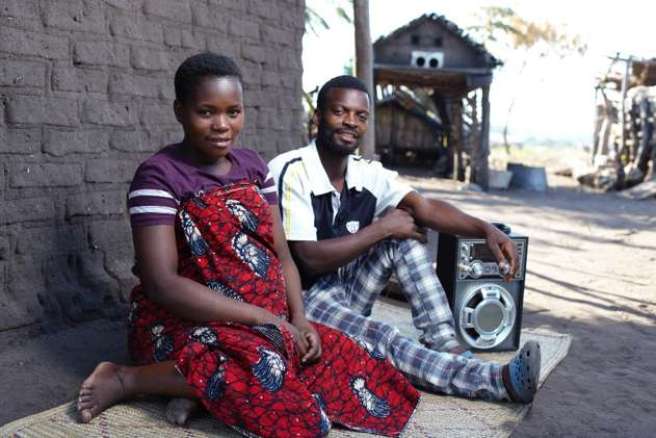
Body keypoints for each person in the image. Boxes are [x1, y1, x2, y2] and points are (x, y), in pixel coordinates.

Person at [76, 54, 420, 438]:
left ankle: (195, 391)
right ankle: (129, 379)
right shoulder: (159, 176)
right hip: (186, 324)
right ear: (179, 110)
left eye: (233, 112)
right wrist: (265, 319)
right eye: (206, 112)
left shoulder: (253, 167)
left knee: (359, 362)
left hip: (268, 324)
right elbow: (161, 284)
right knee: (268, 376)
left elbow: (282, 255)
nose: (222, 125)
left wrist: (299, 320)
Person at [268, 75, 541, 404]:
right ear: (318, 117)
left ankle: (447, 344)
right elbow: (308, 257)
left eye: (360, 115)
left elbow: (425, 208)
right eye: (339, 111)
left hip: (345, 291)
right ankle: (494, 381)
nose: (350, 122)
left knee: (405, 236)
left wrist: (485, 229)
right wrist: (382, 228)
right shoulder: (291, 170)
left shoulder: (366, 172)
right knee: (381, 335)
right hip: (299, 299)